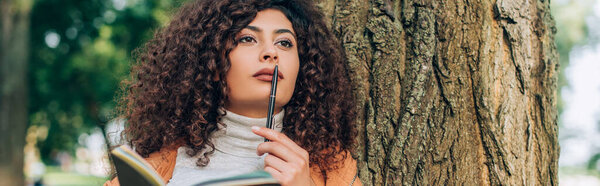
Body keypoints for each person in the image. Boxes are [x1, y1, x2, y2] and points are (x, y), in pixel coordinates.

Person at [104, 0, 360, 185]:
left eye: (284, 43)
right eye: (247, 38)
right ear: (213, 63)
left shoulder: (332, 168)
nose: (271, 53)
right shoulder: (157, 163)